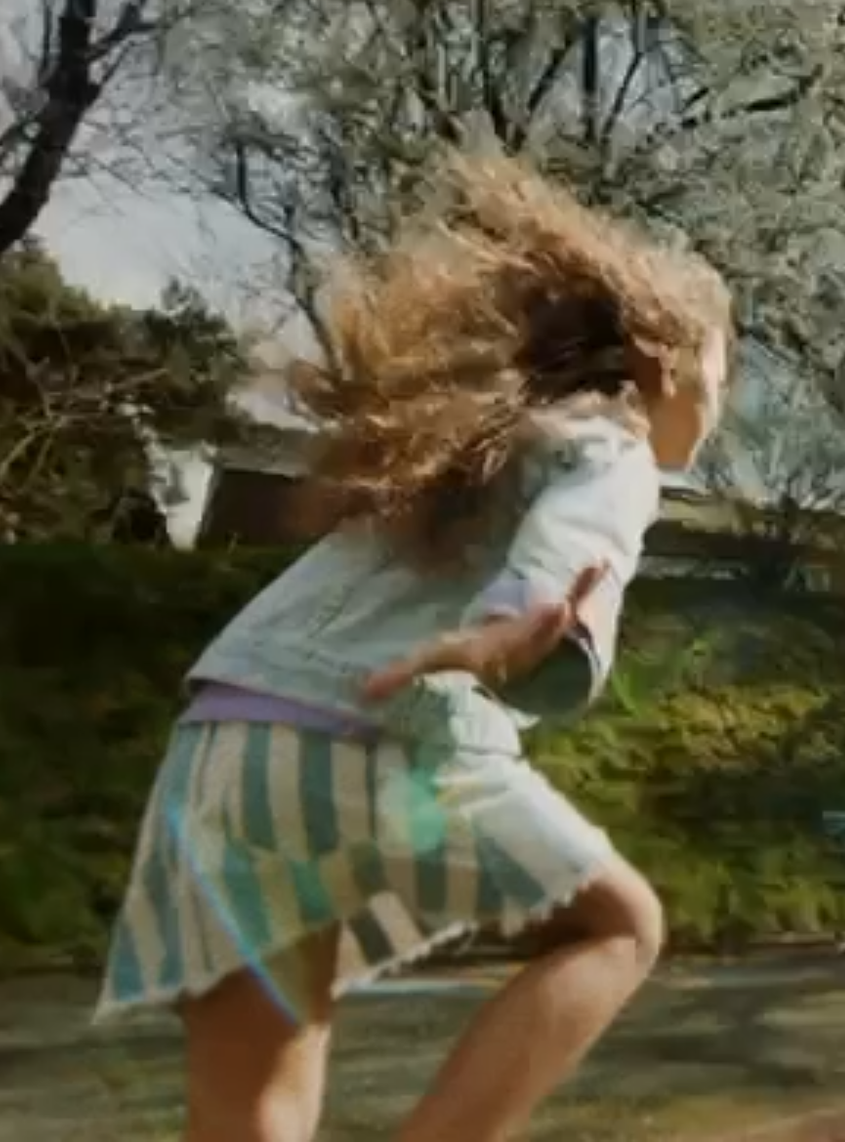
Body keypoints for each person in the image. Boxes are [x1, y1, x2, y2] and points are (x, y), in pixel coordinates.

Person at [93, 155, 733, 1142]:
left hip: (222, 747)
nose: (724, 401)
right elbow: (582, 536)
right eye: (726, 368)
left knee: (256, 1110)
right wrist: (513, 622)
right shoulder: (614, 437)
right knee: (619, 925)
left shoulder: (472, 439)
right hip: (366, 733)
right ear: (662, 355)